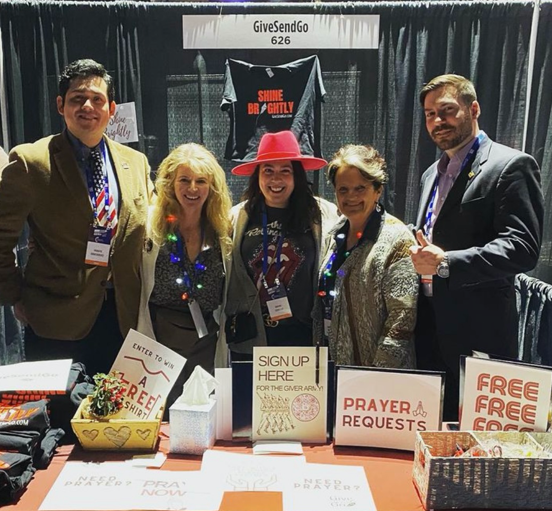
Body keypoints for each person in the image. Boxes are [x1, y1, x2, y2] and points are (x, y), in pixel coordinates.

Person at [0, 58, 153, 376]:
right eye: (77, 98)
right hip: (55, 323)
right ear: (61, 105)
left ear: (111, 109)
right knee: (60, 423)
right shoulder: (31, 162)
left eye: (97, 99)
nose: (88, 106)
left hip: (124, 320)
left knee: (114, 423)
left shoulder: (136, 162)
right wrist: (14, 294)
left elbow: (151, 229)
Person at [410, 73, 543, 420]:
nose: (437, 121)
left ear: (474, 108)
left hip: (479, 330)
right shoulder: (429, 175)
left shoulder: (510, 165)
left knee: (478, 448)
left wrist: (448, 262)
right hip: (429, 327)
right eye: (429, 114)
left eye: (447, 110)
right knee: (434, 434)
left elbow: (522, 247)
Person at [225, 130, 338, 357]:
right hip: (253, 336)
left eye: (285, 171)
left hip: (305, 335)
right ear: (257, 176)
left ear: (296, 175)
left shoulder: (322, 214)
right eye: (268, 171)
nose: (276, 179)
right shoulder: (238, 217)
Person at [137, 143, 232, 406]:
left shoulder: (223, 229)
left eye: (201, 181)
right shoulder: (149, 227)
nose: (193, 189)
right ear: (170, 182)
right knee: (162, 416)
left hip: (206, 341)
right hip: (159, 341)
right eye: (185, 180)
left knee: (202, 412)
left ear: (212, 187)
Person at [314, 144, 418, 368]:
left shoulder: (398, 240)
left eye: (360, 188)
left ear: (378, 189)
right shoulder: (334, 236)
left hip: (376, 381)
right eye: (343, 189)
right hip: (332, 367)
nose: (351, 197)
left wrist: (375, 376)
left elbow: (402, 319)